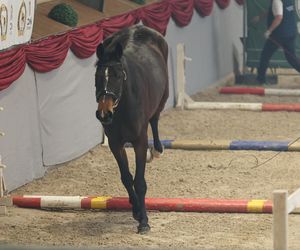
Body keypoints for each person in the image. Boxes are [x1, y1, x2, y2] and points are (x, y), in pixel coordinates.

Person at [256, 0, 300, 84]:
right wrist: (260, 16)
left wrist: (269, 31)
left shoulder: (277, 1)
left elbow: (279, 17)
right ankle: (260, 78)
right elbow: (276, 10)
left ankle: (260, 79)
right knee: (292, 58)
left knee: (265, 55)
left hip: (279, 34)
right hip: (291, 33)